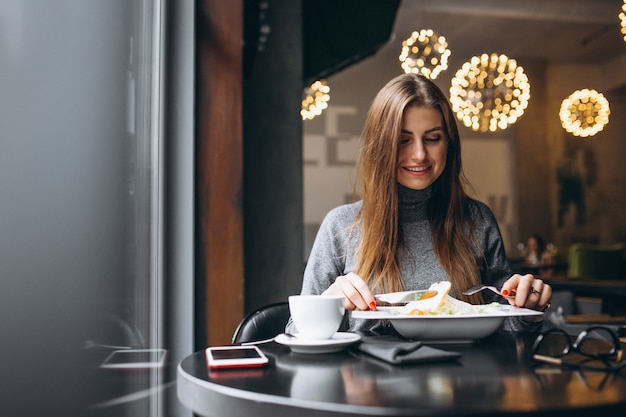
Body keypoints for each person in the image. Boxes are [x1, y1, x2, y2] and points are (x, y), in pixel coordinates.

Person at [288, 74, 551, 334]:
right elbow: (294, 332)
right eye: (403, 140)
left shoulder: (477, 220)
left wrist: (528, 308)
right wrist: (325, 306)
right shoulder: (340, 226)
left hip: (465, 375)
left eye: (432, 138)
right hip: (367, 376)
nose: (419, 154)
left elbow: (508, 328)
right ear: (380, 145)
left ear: (449, 143)